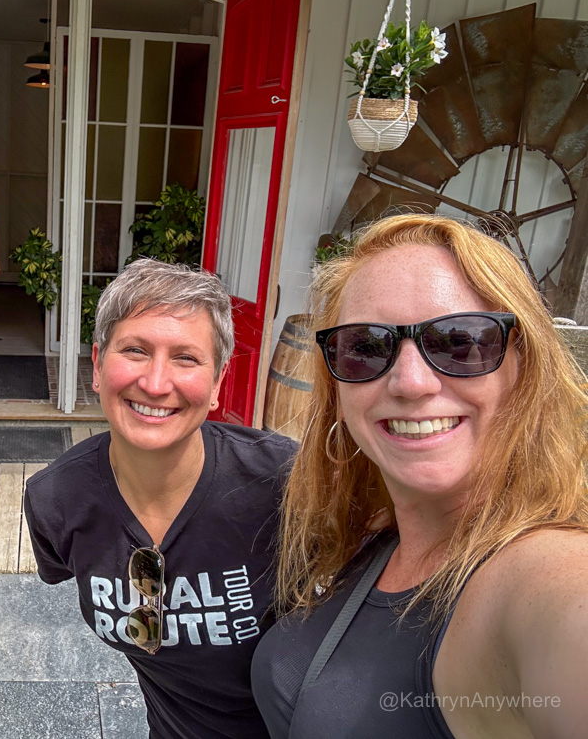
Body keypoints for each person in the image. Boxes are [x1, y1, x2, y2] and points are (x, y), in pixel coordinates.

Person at [251, 214, 588, 738]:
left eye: (461, 342)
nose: (410, 382)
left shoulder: (539, 574)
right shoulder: (376, 533)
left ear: (525, 368)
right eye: (366, 347)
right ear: (337, 390)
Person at [24, 258, 296, 739]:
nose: (154, 382)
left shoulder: (284, 483)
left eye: (186, 358)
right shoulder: (56, 499)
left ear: (216, 384)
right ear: (97, 364)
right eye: (134, 350)